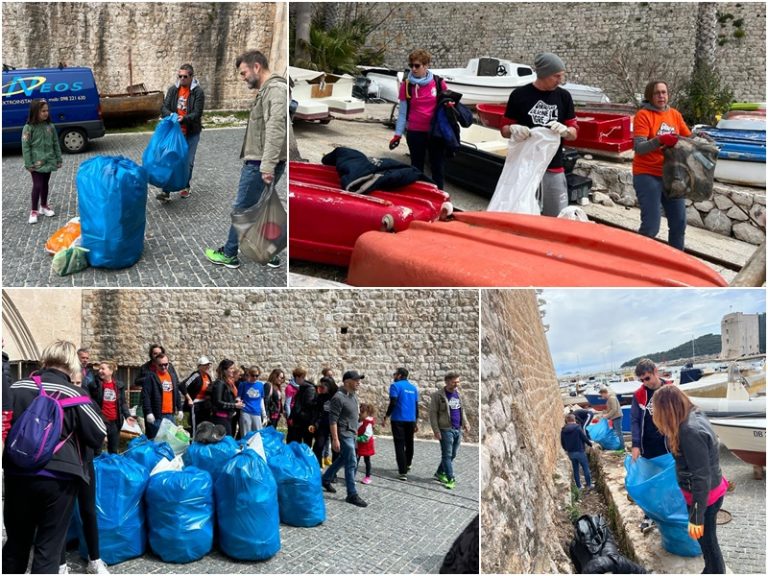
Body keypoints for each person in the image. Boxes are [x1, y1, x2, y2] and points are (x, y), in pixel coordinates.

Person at [2, 340, 106, 574]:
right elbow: (98, 435)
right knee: (48, 549)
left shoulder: (17, 387)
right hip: (58, 478)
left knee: (16, 546)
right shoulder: (75, 394)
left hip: (17, 475)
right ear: (72, 364)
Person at [204, 50, 287, 269]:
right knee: (259, 207)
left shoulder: (275, 90)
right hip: (262, 161)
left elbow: (276, 129)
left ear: (257, 67)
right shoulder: (268, 90)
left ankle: (230, 254)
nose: (243, 78)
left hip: (261, 163)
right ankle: (268, 253)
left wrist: (267, 166)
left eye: (244, 73)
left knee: (242, 209)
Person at [652, 385, 728, 574]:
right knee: (708, 544)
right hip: (714, 491)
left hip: (705, 499)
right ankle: (710, 569)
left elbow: (701, 477)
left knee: (709, 544)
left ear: (667, 409)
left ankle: (715, 570)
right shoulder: (695, 414)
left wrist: (696, 517)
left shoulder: (689, 431)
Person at [499, 52, 577, 216]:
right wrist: (514, 129)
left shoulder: (564, 96)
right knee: (521, 212)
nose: (560, 80)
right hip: (523, 166)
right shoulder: (519, 95)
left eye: (562, 76)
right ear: (544, 74)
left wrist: (565, 131)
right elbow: (504, 130)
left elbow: (574, 132)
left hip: (553, 165)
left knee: (557, 214)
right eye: (556, 76)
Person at [632, 80, 692, 251]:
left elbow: (688, 138)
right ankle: (639, 259)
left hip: (672, 175)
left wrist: (701, 137)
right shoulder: (643, 115)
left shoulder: (675, 115)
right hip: (647, 173)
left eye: (664, 92)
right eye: (657, 93)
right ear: (650, 96)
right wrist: (660, 140)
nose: (661, 96)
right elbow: (639, 148)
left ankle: (676, 263)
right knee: (651, 226)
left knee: (679, 223)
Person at [62, 369, 109, 575]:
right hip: (64, 464)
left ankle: (95, 559)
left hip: (85, 462)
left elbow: (101, 427)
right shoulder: (60, 399)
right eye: (72, 381)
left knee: (89, 511)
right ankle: (60, 562)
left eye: (79, 381)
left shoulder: (86, 400)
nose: (75, 384)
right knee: (62, 513)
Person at [389, 49, 450, 189]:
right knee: (416, 168)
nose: (413, 69)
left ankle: (439, 196)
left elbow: (445, 105)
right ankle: (418, 195)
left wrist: (449, 104)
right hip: (415, 132)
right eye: (411, 66)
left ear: (426, 65)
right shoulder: (406, 86)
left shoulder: (438, 83)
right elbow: (403, 113)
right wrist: (397, 134)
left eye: (417, 65)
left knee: (437, 168)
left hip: (435, 132)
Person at [631, 358, 673, 532]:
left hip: (669, 446)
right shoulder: (639, 395)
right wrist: (635, 445)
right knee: (649, 483)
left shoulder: (670, 389)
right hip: (648, 447)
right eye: (641, 380)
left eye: (647, 378)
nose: (645, 383)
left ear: (656, 372)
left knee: (671, 481)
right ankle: (649, 516)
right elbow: (634, 420)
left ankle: (671, 513)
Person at [157, 63, 205, 201]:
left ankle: (185, 186)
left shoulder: (198, 92)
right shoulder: (173, 90)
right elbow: (164, 107)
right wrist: (171, 115)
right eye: (180, 76)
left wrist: (183, 119)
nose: (182, 79)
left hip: (191, 132)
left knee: (187, 161)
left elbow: (197, 112)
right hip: (174, 132)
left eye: (185, 76)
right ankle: (166, 192)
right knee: (170, 160)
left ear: (191, 77)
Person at [321, 370, 368, 508]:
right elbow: (333, 420)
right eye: (356, 380)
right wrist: (335, 439)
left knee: (343, 459)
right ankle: (351, 494)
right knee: (351, 461)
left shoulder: (353, 396)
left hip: (352, 433)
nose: (359, 382)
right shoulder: (338, 398)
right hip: (344, 434)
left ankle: (325, 479)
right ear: (347, 382)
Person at [22, 98, 62, 224]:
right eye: (43, 111)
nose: (46, 113)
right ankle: (34, 210)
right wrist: (28, 163)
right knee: (37, 185)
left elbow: (56, 143)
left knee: (45, 184)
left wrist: (58, 158)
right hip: (36, 163)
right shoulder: (28, 128)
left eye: (47, 110)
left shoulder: (50, 126)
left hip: (49, 160)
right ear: (35, 112)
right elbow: (26, 146)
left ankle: (44, 206)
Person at [428, 372, 470, 490]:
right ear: (447, 382)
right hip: (445, 430)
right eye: (454, 382)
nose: (457, 384)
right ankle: (450, 478)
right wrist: (436, 430)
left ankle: (439, 472)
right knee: (447, 455)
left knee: (453, 454)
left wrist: (465, 423)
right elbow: (433, 415)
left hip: (458, 429)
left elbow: (462, 410)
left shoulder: (457, 394)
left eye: (458, 381)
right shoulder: (438, 396)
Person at [87, 360, 134, 454]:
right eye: (99, 369)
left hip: (115, 422)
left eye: (103, 369)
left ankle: (111, 467)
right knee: (97, 450)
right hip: (100, 421)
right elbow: (91, 403)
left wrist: (127, 416)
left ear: (110, 371)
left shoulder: (119, 385)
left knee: (113, 449)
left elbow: (123, 403)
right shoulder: (94, 385)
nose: (100, 371)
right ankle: (96, 468)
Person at [382, 367, 419, 481]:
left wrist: (386, 416)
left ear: (399, 375)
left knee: (399, 444)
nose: (393, 376)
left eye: (395, 374)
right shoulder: (413, 388)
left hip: (398, 419)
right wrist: (416, 421)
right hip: (411, 419)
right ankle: (407, 464)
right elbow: (416, 406)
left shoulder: (395, 386)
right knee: (409, 442)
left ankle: (402, 471)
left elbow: (393, 402)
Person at [138, 353, 183, 440]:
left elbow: (176, 393)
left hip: (170, 415)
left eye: (165, 364)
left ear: (168, 364)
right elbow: (146, 396)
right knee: (157, 441)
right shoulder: (150, 377)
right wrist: (148, 412)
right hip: (157, 416)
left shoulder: (172, 376)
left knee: (171, 441)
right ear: (155, 365)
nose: (163, 367)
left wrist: (180, 408)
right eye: (160, 365)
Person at [180, 356, 214, 437]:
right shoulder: (196, 375)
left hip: (204, 406)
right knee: (193, 427)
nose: (207, 366)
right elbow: (182, 385)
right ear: (199, 366)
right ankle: (193, 444)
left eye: (208, 364)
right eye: (205, 365)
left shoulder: (208, 376)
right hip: (194, 406)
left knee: (203, 427)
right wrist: (189, 399)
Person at [210, 359, 244, 436]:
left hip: (227, 418)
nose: (233, 370)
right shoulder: (220, 383)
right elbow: (217, 402)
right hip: (220, 419)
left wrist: (236, 402)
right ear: (224, 370)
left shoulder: (228, 383)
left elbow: (227, 398)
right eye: (231, 368)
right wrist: (234, 405)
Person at [560, 413, 594, 491]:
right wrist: (590, 444)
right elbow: (584, 437)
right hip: (580, 451)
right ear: (574, 419)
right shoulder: (578, 428)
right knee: (585, 468)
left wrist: (566, 449)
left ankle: (579, 487)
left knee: (576, 469)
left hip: (571, 453)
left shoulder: (563, 430)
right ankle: (589, 485)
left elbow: (562, 442)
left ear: (567, 420)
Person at [312, 376, 338, 467]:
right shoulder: (320, 396)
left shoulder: (336, 396)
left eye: (324, 386)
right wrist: (315, 423)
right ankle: (318, 467)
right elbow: (317, 410)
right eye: (321, 385)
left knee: (336, 449)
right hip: (323, 424)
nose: (321, 388)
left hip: (335, 424)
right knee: (318, 446)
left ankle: (333, 472)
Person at [286, 367, 316, 445]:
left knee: (305, 443)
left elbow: (308, 405)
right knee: (295, 442)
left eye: (303, 377)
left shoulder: (309, 388)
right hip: (299, 420)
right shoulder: (302, 388)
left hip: (304, 420)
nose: (303, 379)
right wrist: (291, 417)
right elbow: (294, 404)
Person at [238, 366, 267, 435]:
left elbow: (261, 400)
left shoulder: (260, 385)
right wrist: (238, 401)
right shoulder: (243, 385)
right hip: (245, 411)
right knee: (246, 435)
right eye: (253, 375)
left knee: (258, 435)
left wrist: (264, 415)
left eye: (256, 376)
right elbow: (239, 397)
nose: (254, 377)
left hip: (256, 412)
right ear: (249, 375)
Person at [356, 403, 376, 485]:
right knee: (355, 460)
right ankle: (352, 475)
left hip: (366, 445)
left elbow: (366, 437)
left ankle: (368, 476)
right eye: (359, 412)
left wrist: (357, 438)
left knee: (367, 461)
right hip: (358, 444)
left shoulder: (367, 423)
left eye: (362, 412)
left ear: (367, 413)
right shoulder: (360, 420)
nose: (360, 413)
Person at [598, 387, 624, 451]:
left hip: (617, 417)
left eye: (601, 395)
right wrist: (604, 414)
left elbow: (614, 409)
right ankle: (617, 445)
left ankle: (622, 447)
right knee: (615, 432)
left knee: (618, 433)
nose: (601, 396)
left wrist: (607, 416)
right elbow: (610, 409)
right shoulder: (610, 398)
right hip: (614, 417)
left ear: (604, 393)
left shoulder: (611, 398)